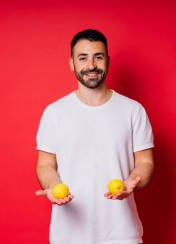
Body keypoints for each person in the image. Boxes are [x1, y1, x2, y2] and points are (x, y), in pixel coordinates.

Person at [35, 29, 154, 244]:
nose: (91, 65)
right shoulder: (54, 112)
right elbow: (45, 165)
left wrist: (131, 183)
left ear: (107, 61)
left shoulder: (133, 110)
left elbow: (145, 162)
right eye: (83, 58)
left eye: (97, 57)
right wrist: (53, 187)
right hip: (68, 236)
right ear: (72, 63)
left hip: (122, 234)